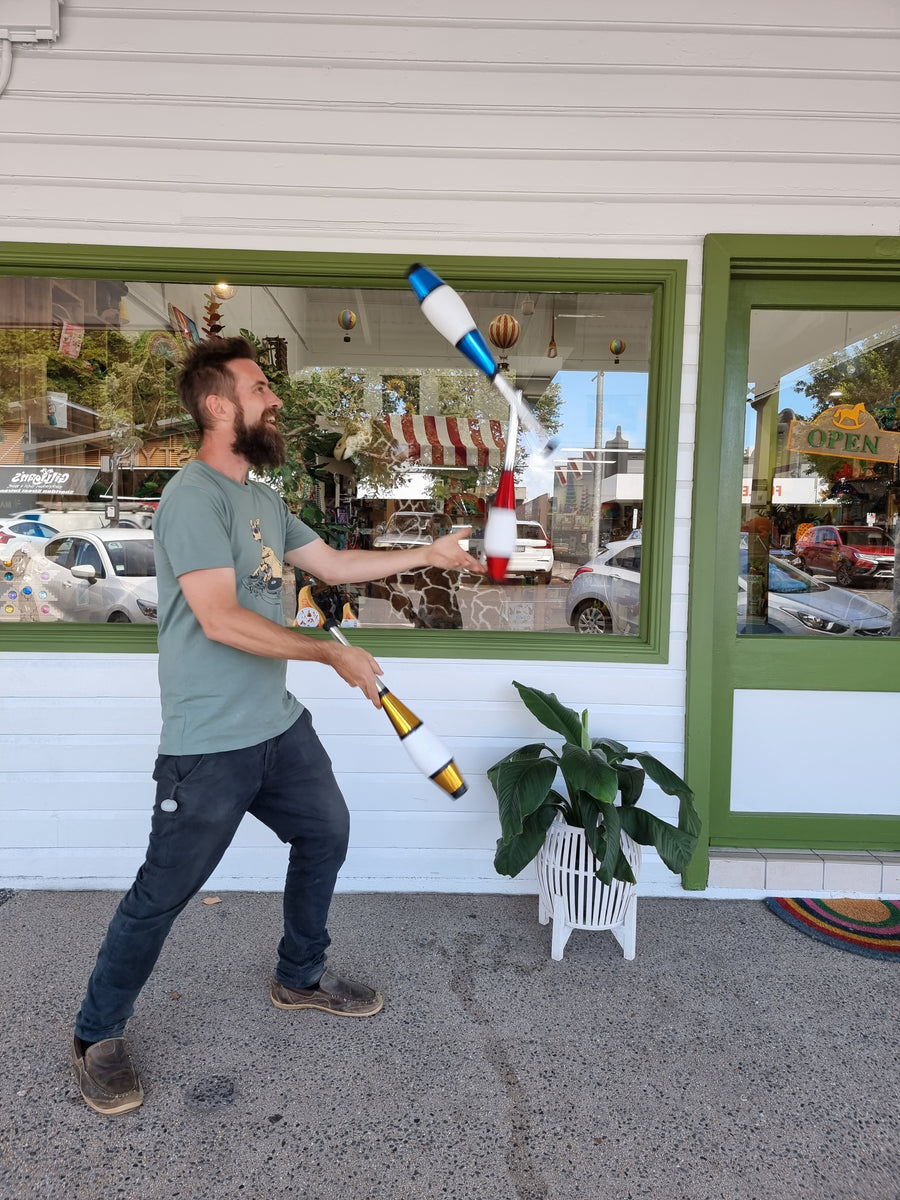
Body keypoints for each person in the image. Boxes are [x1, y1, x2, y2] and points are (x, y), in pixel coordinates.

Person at [71, 336, 484, 1115]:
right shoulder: (193, 497)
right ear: (218, 405)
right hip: (209, 741)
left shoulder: (262, 498)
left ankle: (298, 977)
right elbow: (221, 620)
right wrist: (331, 657)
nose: (276, 400)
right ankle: (96, 1034)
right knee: (163, 893)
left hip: (276, 726)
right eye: (261, 387)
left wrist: (423, 551)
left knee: (325, 832)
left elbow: (328, 565)